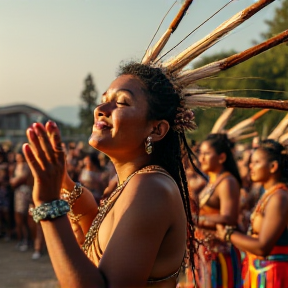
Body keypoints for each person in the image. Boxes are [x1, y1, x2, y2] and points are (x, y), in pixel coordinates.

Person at [23, 63, 200, 288]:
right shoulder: (130, 183)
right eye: (104, 98)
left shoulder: (151, 187)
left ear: (156, 130)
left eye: (122, 102)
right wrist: (66, 186)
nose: (101, 109)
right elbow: (100, 251)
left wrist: (47, 206)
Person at [216, 139, 288, 288]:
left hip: (273, 276)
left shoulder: (279, 198)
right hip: (261, 273)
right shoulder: (270, 195)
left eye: (256, 162)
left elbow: (263, 247)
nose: (250, 166)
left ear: (273, 167)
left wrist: (228, 235)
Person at [193, 133, 242, 288]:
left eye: (207, 154)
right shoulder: (212, 181)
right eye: (200, 153)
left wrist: (194, 219)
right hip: (206, 252)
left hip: (219, 255)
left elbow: (229, 218)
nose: (202, 158)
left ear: (221, 158)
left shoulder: (227, 182)